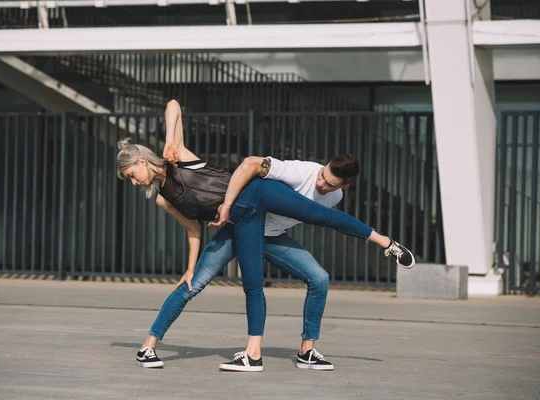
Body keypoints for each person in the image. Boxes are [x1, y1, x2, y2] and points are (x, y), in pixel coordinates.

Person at [117, 100, 415, 372]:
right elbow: (193, 229)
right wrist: (190, 267)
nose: (134, 182)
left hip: (257, 192)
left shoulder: (178, 158)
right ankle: (149, 348)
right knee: (225, 285)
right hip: (244, 221)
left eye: (132, 175)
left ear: (142, 162)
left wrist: (170, 139)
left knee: (318, 215)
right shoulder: (162, 199)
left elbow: (173, 105)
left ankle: (386, 242)